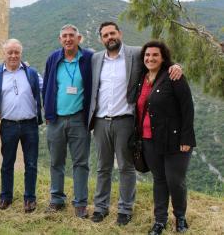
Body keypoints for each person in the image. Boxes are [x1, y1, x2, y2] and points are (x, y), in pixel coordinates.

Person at [88, 21, 182, 226]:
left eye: (112, 33)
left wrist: (175, 66)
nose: (109, 37)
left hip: (125, 120)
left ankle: (124, 209)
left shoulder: (136, 54)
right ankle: (100, 207)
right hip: (101, 121)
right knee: (102, 167)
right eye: (105, 35)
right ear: (101, 39)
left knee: (125, 167)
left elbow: (157, 59)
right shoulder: (96, 59)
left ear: (120, 33)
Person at [136, 41, 195, 235]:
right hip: (148, 139)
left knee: (175, 180)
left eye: (155, 55)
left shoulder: (173, 76)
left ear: (163, 58)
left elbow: (187, 107)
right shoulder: (141, 77)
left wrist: (186, 138)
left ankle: (180, 218)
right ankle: (160, 221)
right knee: (159, 180)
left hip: (174, 140)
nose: (150, 58)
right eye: (147, 55)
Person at [0, 38, 43, 213]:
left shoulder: (31, 73)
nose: (13, 55)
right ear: (4, 54)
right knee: (7, 163)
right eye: (10, 52)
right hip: (8, 125)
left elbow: (46, 87)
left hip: (30, 125)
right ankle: (6, 197)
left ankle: (30, 199)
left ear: (21, 54)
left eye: (16, 52)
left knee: (31, 163)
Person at [42, 24, 92, 218]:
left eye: (72, 35)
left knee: (80, 163)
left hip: (79, 119)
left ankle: (80, 203)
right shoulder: (54, 58)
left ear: (79, 38)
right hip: (56, 120)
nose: (68, 39)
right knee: (56, 161)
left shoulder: (88, 58)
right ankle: (56, 200)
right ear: (60, 39)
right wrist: (48, 111)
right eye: (65, 36)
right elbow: (46, 85)